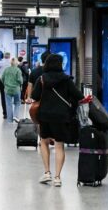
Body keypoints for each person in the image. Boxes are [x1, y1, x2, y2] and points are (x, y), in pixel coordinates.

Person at [31, 54, 86, 187]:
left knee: (44, 142)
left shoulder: (42, 79)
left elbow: (35, 96)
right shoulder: (67, 79)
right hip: (61, 116)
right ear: (60, 65)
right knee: (59, 145)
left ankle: (47, 172)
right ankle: (57, 178)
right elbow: (79, 96)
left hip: (44, 115)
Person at [1, 57, 24, 123]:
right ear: (16, 62)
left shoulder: (6, 69)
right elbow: (20, 80)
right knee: (17, 103)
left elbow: (2, 78)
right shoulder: (18, 70)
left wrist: (6, 84)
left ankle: (9, 119)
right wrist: (20, 83)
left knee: (8, 104)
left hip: (7, 89)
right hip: (16, 89)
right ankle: (16, 116)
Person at [0, 52, 12, 119]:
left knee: (3, 97)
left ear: (4, 56)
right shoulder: (11, 62)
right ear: (9, 56)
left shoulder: (1, 62)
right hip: (10, 82)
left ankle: (5, 113)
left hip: (2, 81)